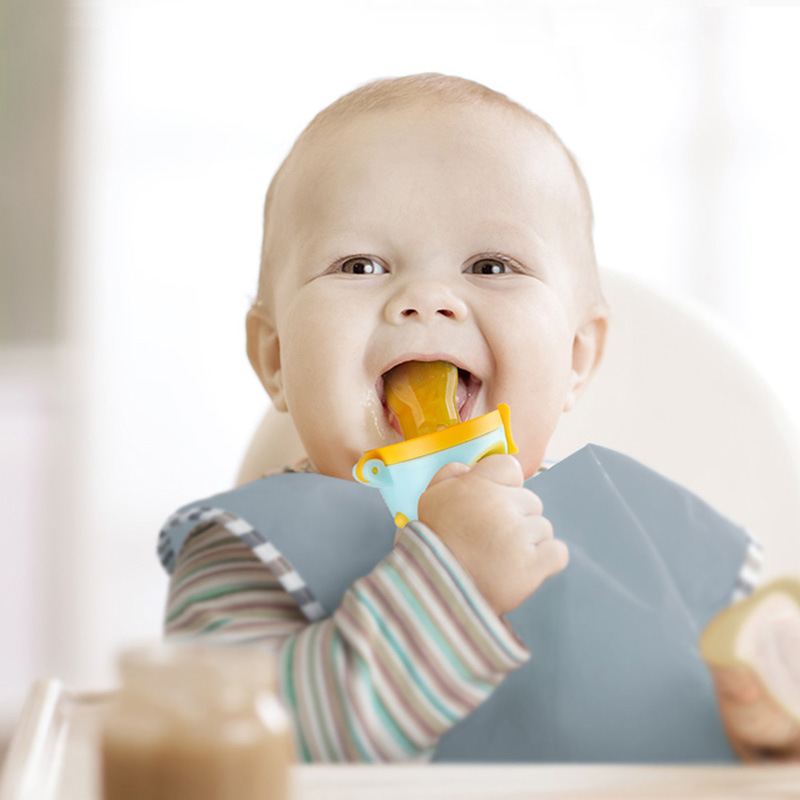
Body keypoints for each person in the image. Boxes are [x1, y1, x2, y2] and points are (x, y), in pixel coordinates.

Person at [162, 73, 800, 762]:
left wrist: (766, 733)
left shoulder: (652, 538)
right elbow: (230, 760)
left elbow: (728, 740)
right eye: (360, 263)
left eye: (492, 266)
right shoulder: (245, 555)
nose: (426, 298)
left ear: (577, 357)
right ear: (276, 356)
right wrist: (451, 582)